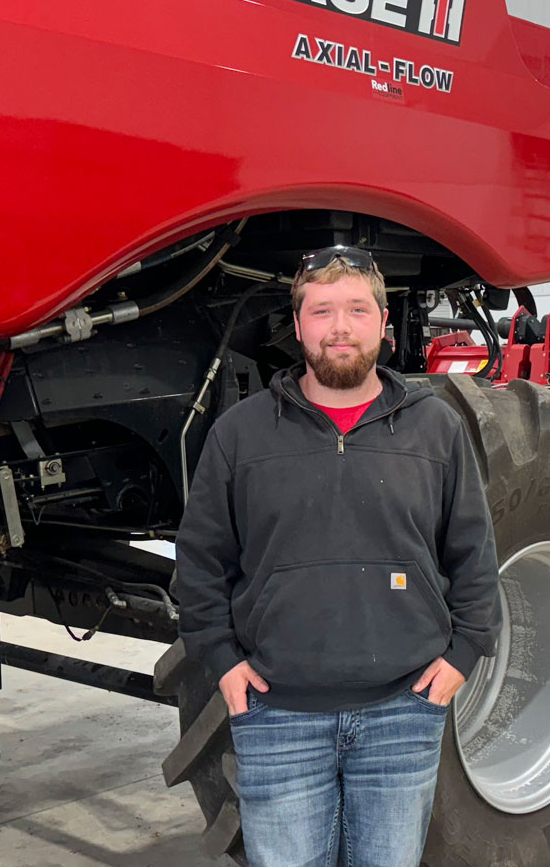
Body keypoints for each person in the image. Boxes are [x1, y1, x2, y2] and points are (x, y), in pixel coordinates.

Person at [171, 245, 502, 866]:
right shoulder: (240, 434)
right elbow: (200, 560)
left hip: (404, 712)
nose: (340, 328)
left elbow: (473, 555)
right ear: (298, 327)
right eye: (322, 312)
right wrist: (220, 658)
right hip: (277, 714)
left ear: (382, 320)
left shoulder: (435, 429)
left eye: (356, 309)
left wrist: (464, 652)